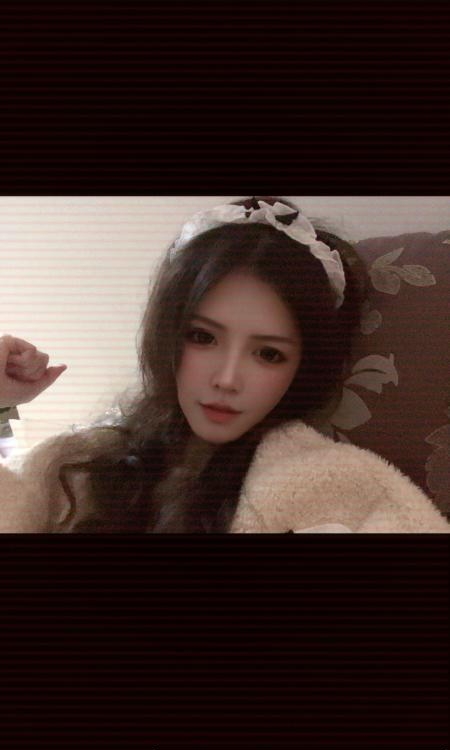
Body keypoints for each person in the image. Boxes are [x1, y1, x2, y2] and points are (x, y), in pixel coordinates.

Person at [0, 197, 449, 533]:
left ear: (301, 367)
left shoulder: (336, 485)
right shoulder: (76, 462)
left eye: (268, 354)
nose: (227, 379)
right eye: (203, 337)